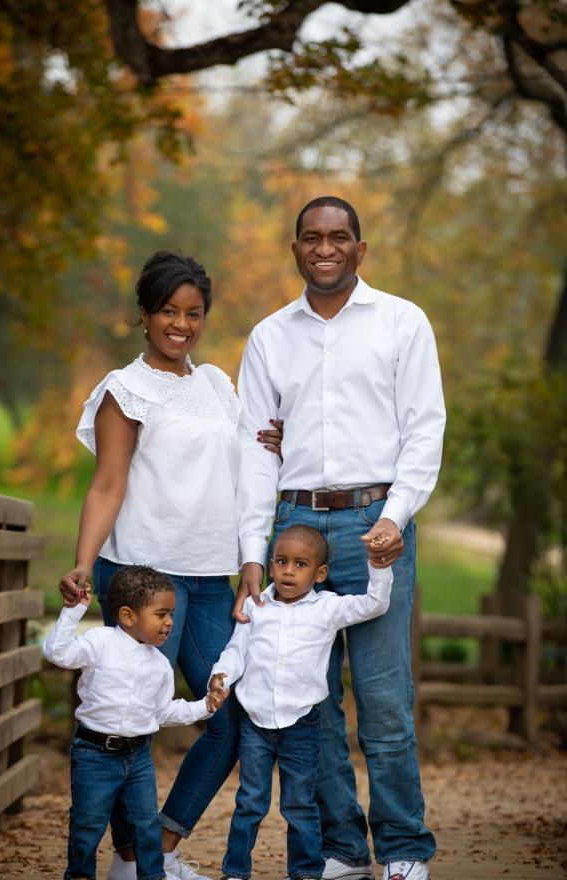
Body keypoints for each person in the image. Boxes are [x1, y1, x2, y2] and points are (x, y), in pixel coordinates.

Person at [235, 196, 446, 880]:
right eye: (311, 238)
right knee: (309, 705)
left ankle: (405, 850)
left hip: (374, 524)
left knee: (384, 700)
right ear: (295, 248)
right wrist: (251, 551)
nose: (324, 248)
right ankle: (343, 850)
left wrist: (398, 513)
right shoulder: (269, 337)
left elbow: (423, 429)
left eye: (338, 237)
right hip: (294, 530)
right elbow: (254, 451)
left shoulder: (401, 323)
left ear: (360, 247)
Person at [59, 251, 281, 880]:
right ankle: (135, 862)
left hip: (213, 578)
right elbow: (106, 484)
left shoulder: (216, 384)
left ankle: (158, 843)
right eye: (168, 312)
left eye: (193, 313)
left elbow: (243, 468)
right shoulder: (123, 390)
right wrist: (81, 564)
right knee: (133, 716)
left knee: (229, 712)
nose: (181, 325)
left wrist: (249, 559)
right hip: (143, 578)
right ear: (145, 314)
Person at [209, 525, 393, 880]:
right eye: (281, 562)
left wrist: (378, 565)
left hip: (302, 725)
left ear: (319, 573)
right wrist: (221, 676)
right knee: (249, 802)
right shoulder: (256, 605)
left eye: (300, 564)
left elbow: (375, 603)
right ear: (271, 565)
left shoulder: (326, 608)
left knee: (299, 804)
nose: (288, 571)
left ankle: (306, 872)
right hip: (256, 723)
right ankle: (235, 871)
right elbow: (237, 650)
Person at [43, 565, 229, 880]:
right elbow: (58, 653)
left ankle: (152, 876)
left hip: (138, 757)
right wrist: (73, 612)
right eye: (162, 614)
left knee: (145, 824)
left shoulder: (160, 664)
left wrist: (204, 707)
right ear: (128, 616)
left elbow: (162, 712)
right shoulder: (100, 642)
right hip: (94, 754)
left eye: (171, 613)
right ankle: (79, 874)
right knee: (88, 823)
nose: (170, 622)